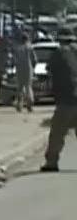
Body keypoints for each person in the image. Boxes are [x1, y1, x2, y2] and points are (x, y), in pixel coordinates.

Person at [41, 28, 77, 172]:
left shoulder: (59, 52)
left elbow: (49, 70)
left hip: (67, 99)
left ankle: (51, 162)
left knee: (57, 133)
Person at [13, 32, 37, 113]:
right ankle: (29, 105)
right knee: (28, 86)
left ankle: (19, 105)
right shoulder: (30, 47)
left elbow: (14, 60)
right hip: (28, 68)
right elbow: (34, 59)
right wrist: (33, 67)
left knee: (19, 87)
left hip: (19, 68)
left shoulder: (17, 48)